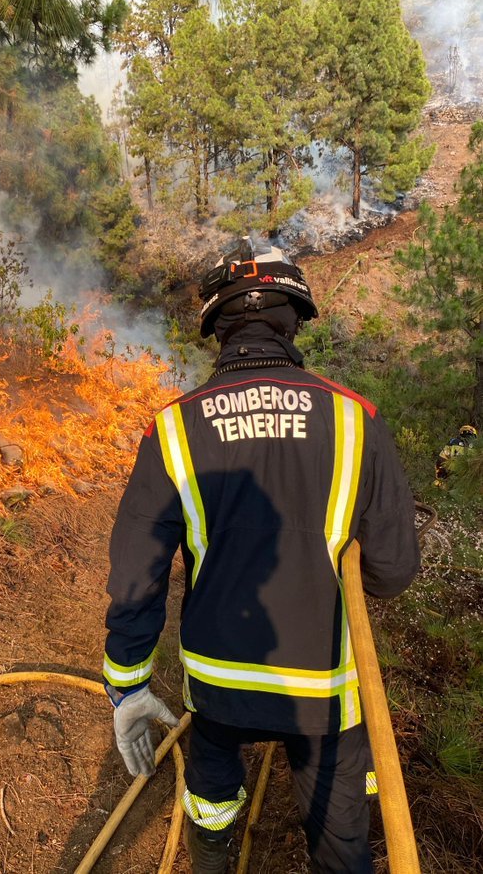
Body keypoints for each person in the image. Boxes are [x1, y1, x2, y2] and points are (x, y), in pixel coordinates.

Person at [102, 239, 420, 873]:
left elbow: (136, 574)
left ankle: (215, 858)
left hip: (220, 686)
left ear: (217, 328)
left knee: (213, 805)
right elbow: (392, 571)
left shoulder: (172, 428)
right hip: (326, 687)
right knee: (340, 841)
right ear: (294, 319)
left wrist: (128, 685)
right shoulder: (358, 420)